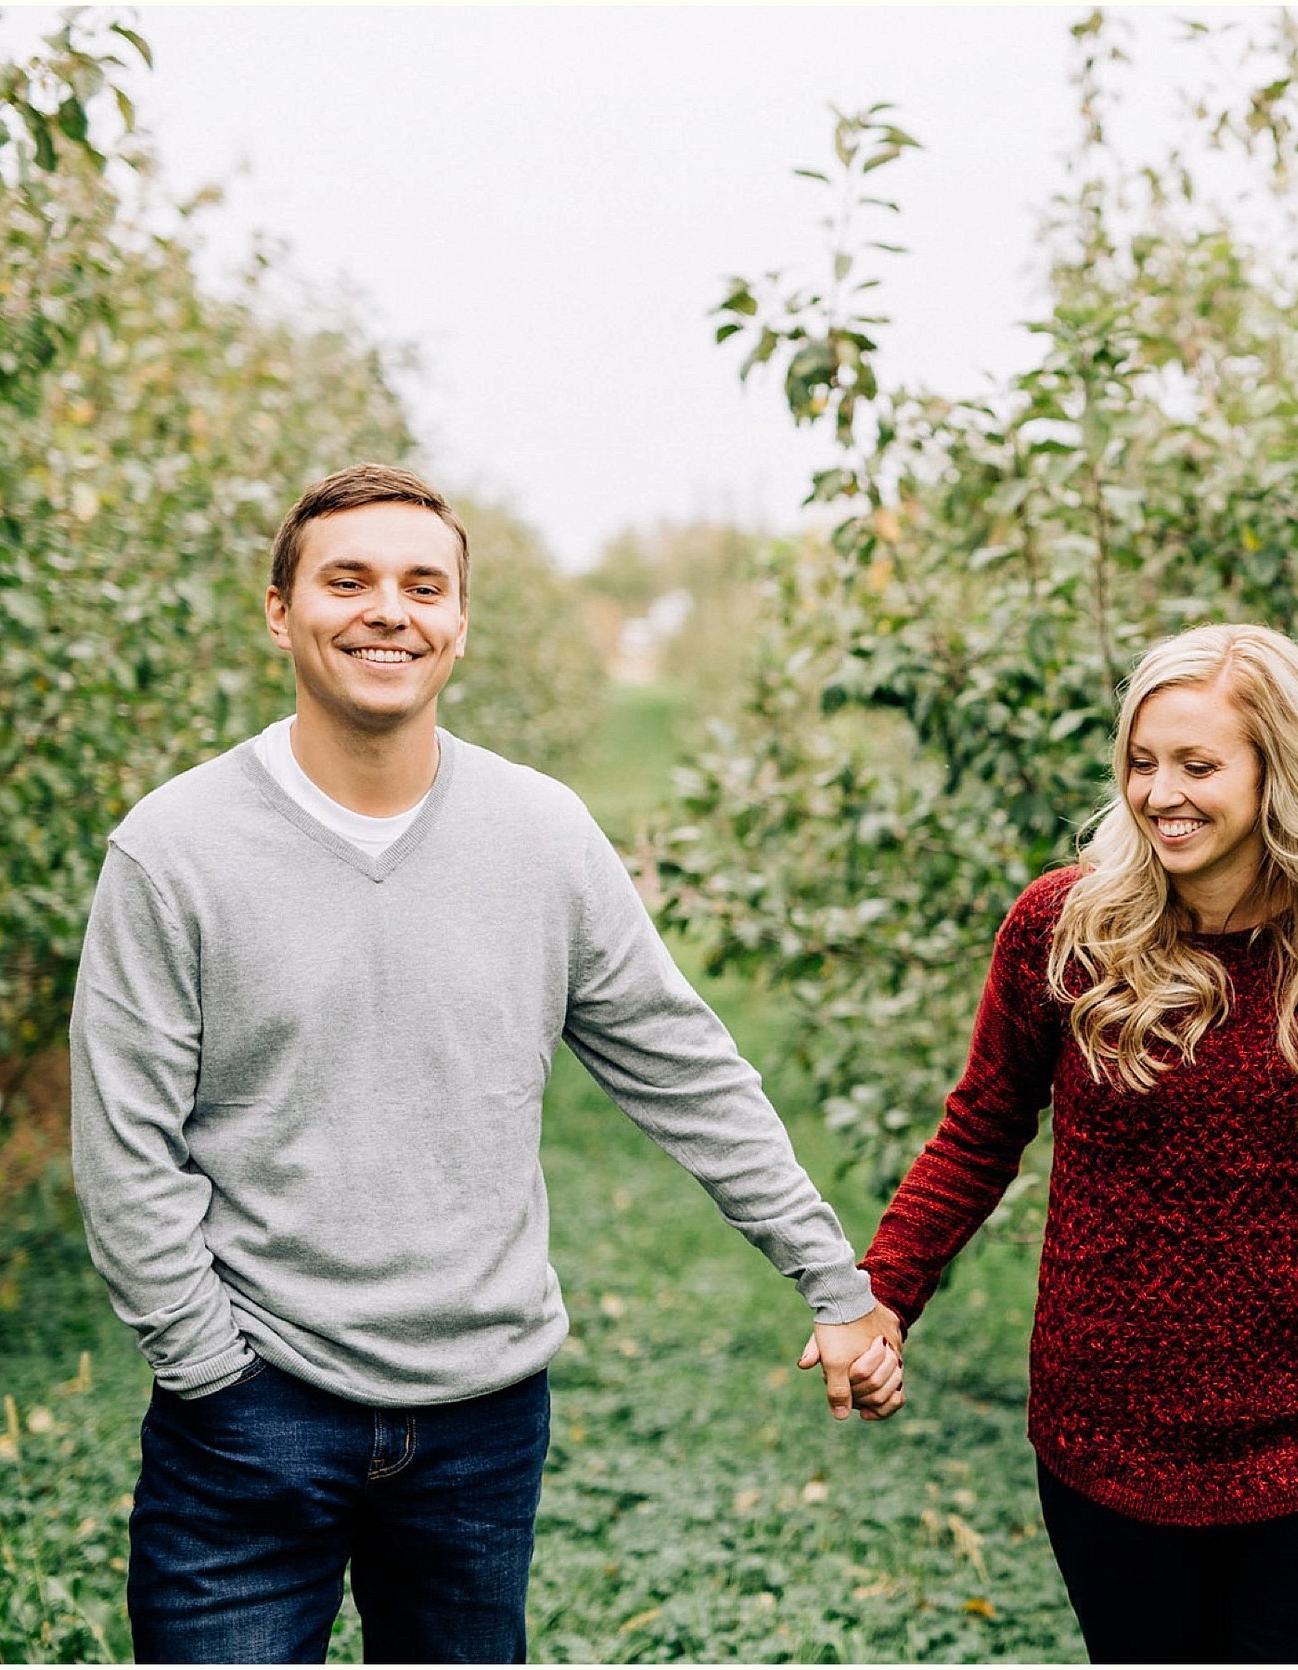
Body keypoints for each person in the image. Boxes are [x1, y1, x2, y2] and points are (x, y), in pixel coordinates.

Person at [68, 463, 903, 1664]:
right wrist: (209, 1368)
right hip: (251, 1416)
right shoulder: (175, 848)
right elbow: (123, 1143)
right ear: (278, 609)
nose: (387, 611)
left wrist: (830, 1274)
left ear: (460, 623)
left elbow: (685, 1067)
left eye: (423, 585)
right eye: (346, 580)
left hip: (480, 1419)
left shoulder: (541, 834)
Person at [857, 623, 1298, 1662]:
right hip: (1108, 1431)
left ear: (1278, 770)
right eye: (1141, 761)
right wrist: (885, 1293)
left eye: (1198, 764)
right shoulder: (1064, 929)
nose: (1159, 792)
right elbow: (981, 1127)